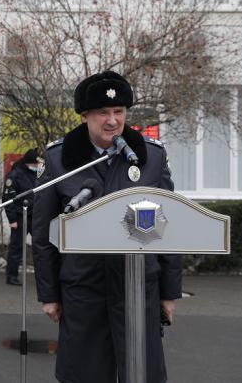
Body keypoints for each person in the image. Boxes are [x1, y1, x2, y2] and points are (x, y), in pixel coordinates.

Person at [31, 71, 181, 383]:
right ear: (85, 116)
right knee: (84, 374)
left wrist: (169, 292)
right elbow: (44, 235)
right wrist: (49, 294)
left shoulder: (150, 157)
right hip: (84, 288)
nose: (112, 121)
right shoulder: (59, 159)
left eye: (118, 111)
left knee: (142, 373)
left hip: (138, 288)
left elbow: (169, 229)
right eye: (103, 112)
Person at [1, 148, 39, 285]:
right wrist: (12, 220)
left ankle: (43, 276)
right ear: (28, 163)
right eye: (34, 164)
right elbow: (7, 198)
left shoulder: (36, 174)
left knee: (40, 246)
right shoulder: (15, 175)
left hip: (35, 216)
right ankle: (11, 276)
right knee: (16, 248)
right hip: (19, 216)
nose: (36, 166)